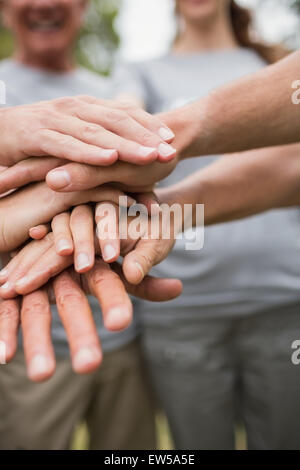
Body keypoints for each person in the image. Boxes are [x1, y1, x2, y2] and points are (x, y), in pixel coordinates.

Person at [110, 0, 300, 450]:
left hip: (281, 298)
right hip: (185, 310)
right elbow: (121, 123)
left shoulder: (276, 64)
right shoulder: (140, 71)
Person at [0, 0, 175, 451]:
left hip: (124, 339)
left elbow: (146, 199)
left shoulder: (112, 97)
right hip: (24, 345)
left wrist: (144, 218)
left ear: (83, 7)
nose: (42, 3)